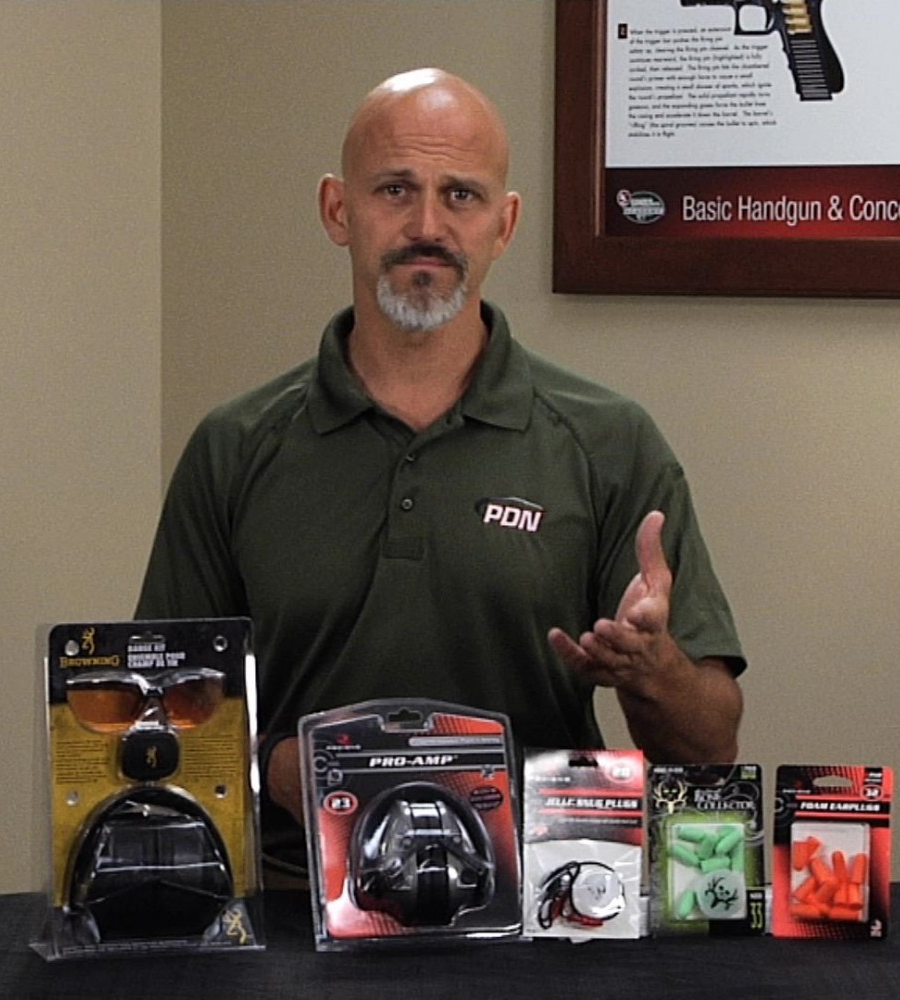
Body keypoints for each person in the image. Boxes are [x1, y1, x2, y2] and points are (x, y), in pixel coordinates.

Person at [135, 68, 744, 881]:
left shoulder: (609, 442)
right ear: (337, 211)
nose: (428, 225)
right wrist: (279, 770)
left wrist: (653, 670)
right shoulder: (235, 445)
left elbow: (710, 748)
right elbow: (157, 718)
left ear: (504, 223)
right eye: (395, 190)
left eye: (461, 195)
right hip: (292, 896)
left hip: (542, 894)